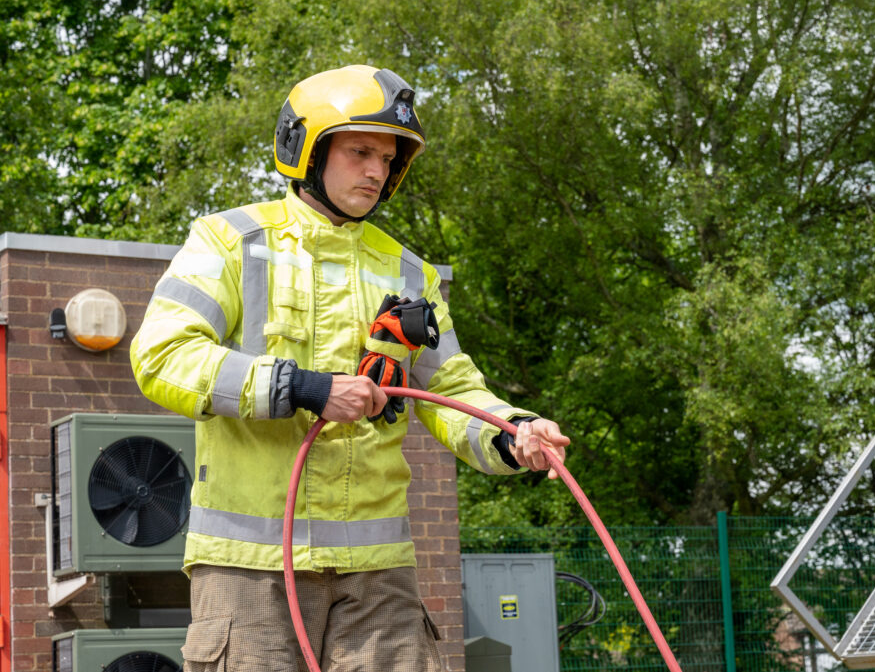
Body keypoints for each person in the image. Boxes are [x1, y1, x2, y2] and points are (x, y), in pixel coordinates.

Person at [130, 64, 570, 672]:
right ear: (306, 148)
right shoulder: (229, 242)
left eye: (388, 160)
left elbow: (452, 390)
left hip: (378, 578)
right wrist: (302, 388)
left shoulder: (411, 273)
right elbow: (162, 355)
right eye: (361, 151)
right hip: (250, 573)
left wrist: (513, 431)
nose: (376, 171)